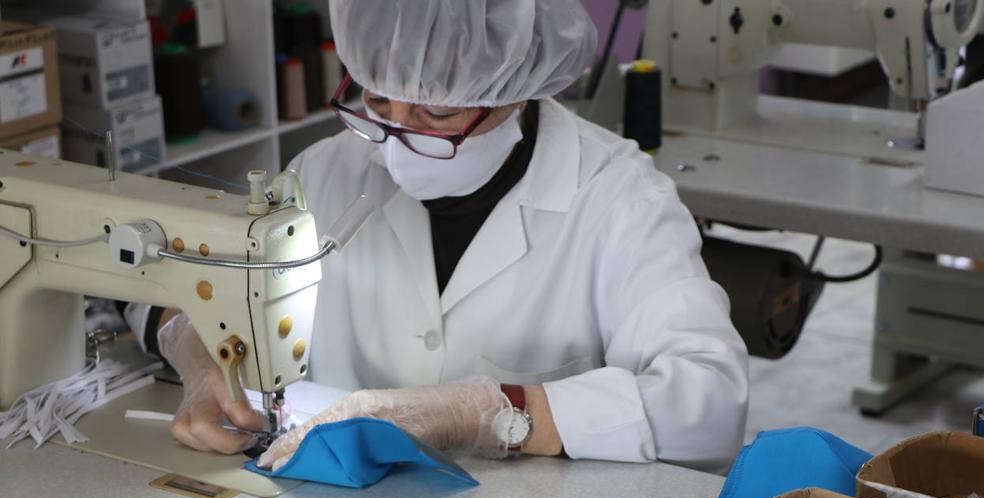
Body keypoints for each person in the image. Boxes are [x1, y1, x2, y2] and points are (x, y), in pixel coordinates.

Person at [143, 0, 749, 472]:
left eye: (437, 113)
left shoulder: (620, 200)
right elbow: (183, 282)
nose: (399, 136)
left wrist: (493, 413)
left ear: (517, 84)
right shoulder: (323, 172)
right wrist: (196, 359)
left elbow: (711, 402)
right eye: (378, 97)